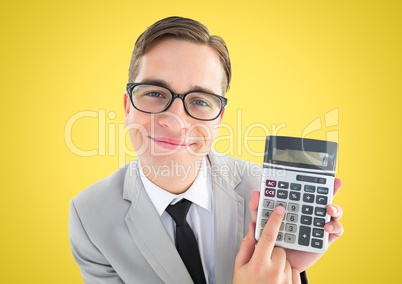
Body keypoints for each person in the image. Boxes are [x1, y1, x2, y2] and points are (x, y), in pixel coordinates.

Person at [68, 16, 344, 284]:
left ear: (219, 119)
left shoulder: (264, 193)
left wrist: (288, 265)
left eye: (200, 101)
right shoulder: (89, 216)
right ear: (128, 107)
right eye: (154, 93)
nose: (175, 122)